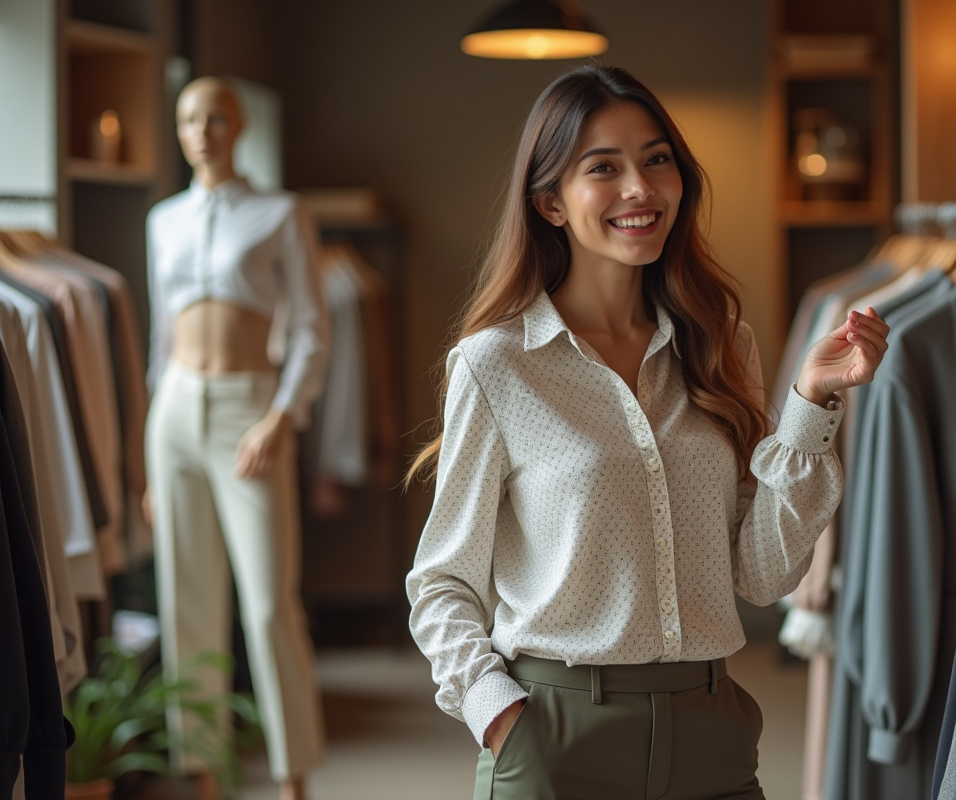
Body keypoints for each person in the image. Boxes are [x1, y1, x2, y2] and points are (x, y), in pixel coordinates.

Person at [406, 64, 890, 800]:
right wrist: (497, 714)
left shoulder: (723, 346)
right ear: (550, 201)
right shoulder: (496, 364)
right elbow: (443, 582)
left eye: (657, 160)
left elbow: (761, 575)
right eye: (604, 168)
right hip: (554, 736)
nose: (640, 188)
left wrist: (811, 402)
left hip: (711, 734)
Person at [143, 77, 327, 800]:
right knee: (184, 602)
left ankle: (293, 779)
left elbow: (310, 329)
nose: (202, 131)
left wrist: (281, 417)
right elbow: (161, 341)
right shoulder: (162, 220)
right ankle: (204, 778)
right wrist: (148, 465)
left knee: (269, 605)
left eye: (216, 118)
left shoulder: (281, 213)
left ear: (239, 125)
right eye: (189, 119)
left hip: (249, 410)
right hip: (175, 411)